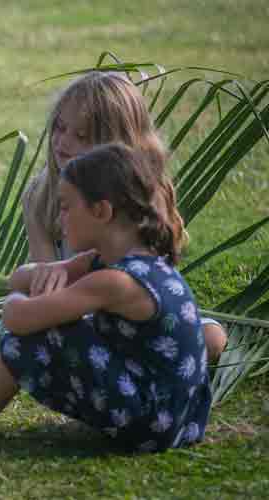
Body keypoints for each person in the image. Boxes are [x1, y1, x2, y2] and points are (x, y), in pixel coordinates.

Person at [0, 143, 212, 452]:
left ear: (101, 211)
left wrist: (19, 302)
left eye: (65, 206)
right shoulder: (115, 260)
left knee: (41, 331)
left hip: (151, 424)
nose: (60, 218)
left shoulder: (115, 281)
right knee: (39, 327)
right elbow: (17, 279)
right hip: (179, 420)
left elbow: (18, 318)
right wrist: (45, 275)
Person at [22, 71, 227, 362]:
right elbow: (46, 276)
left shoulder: (145, 198)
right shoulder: (40, 194)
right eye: (59, 127)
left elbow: (149, 283)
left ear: (117, 146)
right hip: (74, 306)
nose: (62, 142)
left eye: (81, 136)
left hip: (141, 317)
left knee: (212, 337)